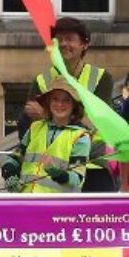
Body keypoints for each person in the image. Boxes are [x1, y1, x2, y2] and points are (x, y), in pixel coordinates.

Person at [19, 17, 115, 192]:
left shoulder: (102, 78)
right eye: (59, 40)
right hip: (50, 171)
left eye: (70, 39)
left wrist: (46, 115)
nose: (63, 44)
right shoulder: (41, 80)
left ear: (85, 44)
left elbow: (99, 123)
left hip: (93, 165)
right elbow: (28, 129)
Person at [2, 81, 90, 193]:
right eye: (55, 99)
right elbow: (15, 158)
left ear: (74, 105)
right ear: (48, 102)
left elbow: (77, 179)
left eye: (66, 100)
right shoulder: (35, 128)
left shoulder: (80, 137)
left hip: (57, 207)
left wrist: (57, 173)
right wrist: (9, 174)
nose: (60, 104)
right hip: (25, 201)